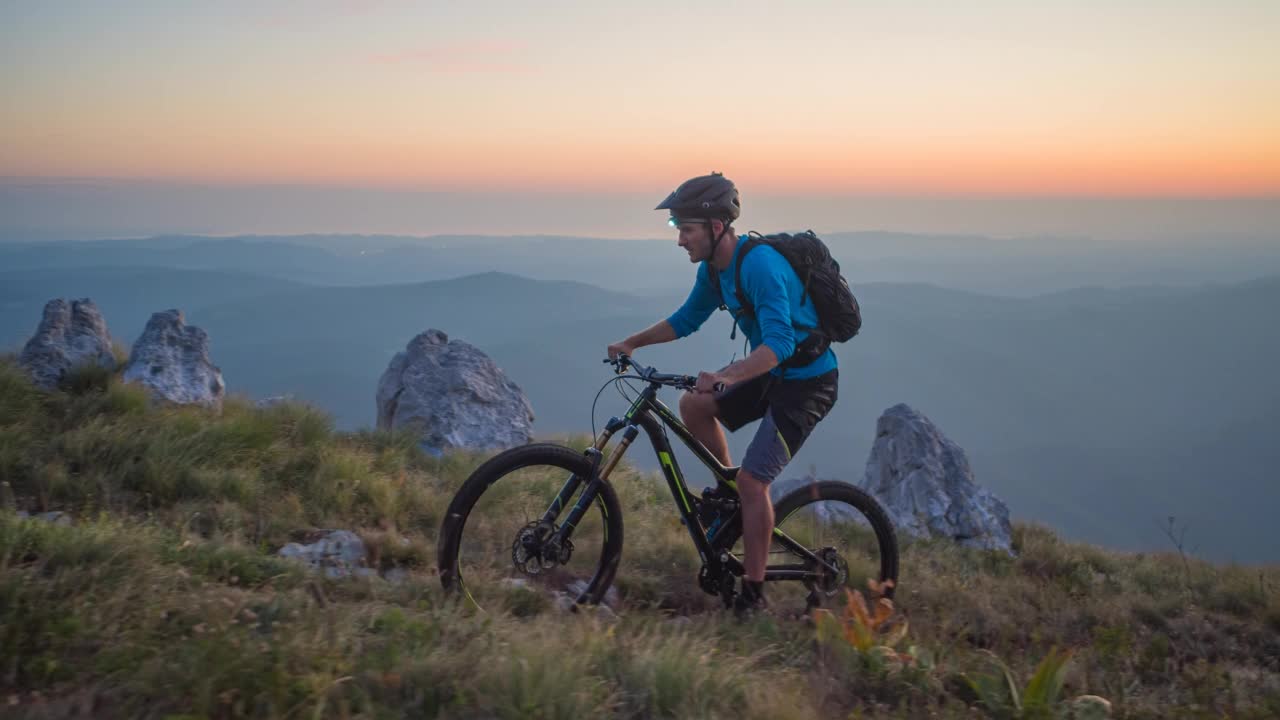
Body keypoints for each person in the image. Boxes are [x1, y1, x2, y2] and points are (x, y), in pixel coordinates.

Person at [607, 172, 839, 614]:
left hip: (808, 383)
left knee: (755, 482)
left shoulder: (760, 266)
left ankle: (753, 595)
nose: (679, 240)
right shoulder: (715, 271)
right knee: (693, 404)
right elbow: (686, 319)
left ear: (716, 229)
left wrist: (729, 375)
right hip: (771, 373)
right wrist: (632, 342)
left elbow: (781, 344)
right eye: (676, 229)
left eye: (685, 229)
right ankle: (729, 495)